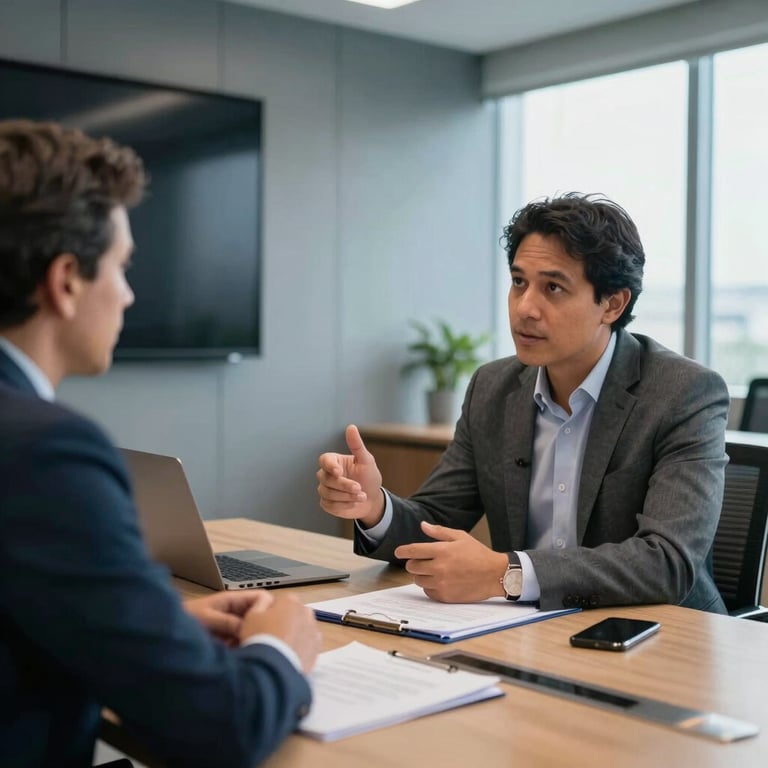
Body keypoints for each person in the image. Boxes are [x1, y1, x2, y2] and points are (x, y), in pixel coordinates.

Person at [0, 119, 321, 768]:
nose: (129, 293)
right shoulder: (46, 450)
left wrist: (145, 633)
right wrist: (281, 647)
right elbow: (219, 728)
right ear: (65, 281)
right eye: (121, 267)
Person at [317, 192, 729, 614]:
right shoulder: (493, 388)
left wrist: (507, 572)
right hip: (527, 630)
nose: (525, 308)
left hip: (660, 636)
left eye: (553, 287)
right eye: (519, 282)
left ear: (612, 303)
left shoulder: (683, 393)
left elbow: (667, 562)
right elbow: (435, 521)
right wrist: (374, 507)